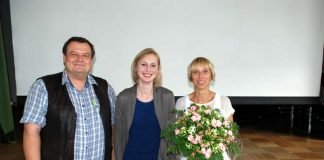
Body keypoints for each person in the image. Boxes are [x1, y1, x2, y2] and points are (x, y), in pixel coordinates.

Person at [20, 36, 116, 160]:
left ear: (91, 60)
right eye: (74, 54)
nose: (79, 59)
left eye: (85, 55)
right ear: (65, 58)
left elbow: (113, 130)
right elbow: (31, 132)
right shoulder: (43, 87)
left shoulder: (105, 88)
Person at [114, 48, 175, 160]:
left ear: (158, 70)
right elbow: (118, 138)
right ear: (136, 67)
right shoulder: (123, 98)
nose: (148, 69)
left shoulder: (167, 97)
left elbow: (172, 137)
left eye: (153, 65)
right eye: (143, 64)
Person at [176, 57, 235, 160]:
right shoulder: (181, 103)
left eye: (205, 71)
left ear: (211, 75)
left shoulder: (223, 101)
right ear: (190, 77)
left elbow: (230, 137)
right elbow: (178, 137)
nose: (200, 76)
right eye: (195, 72)